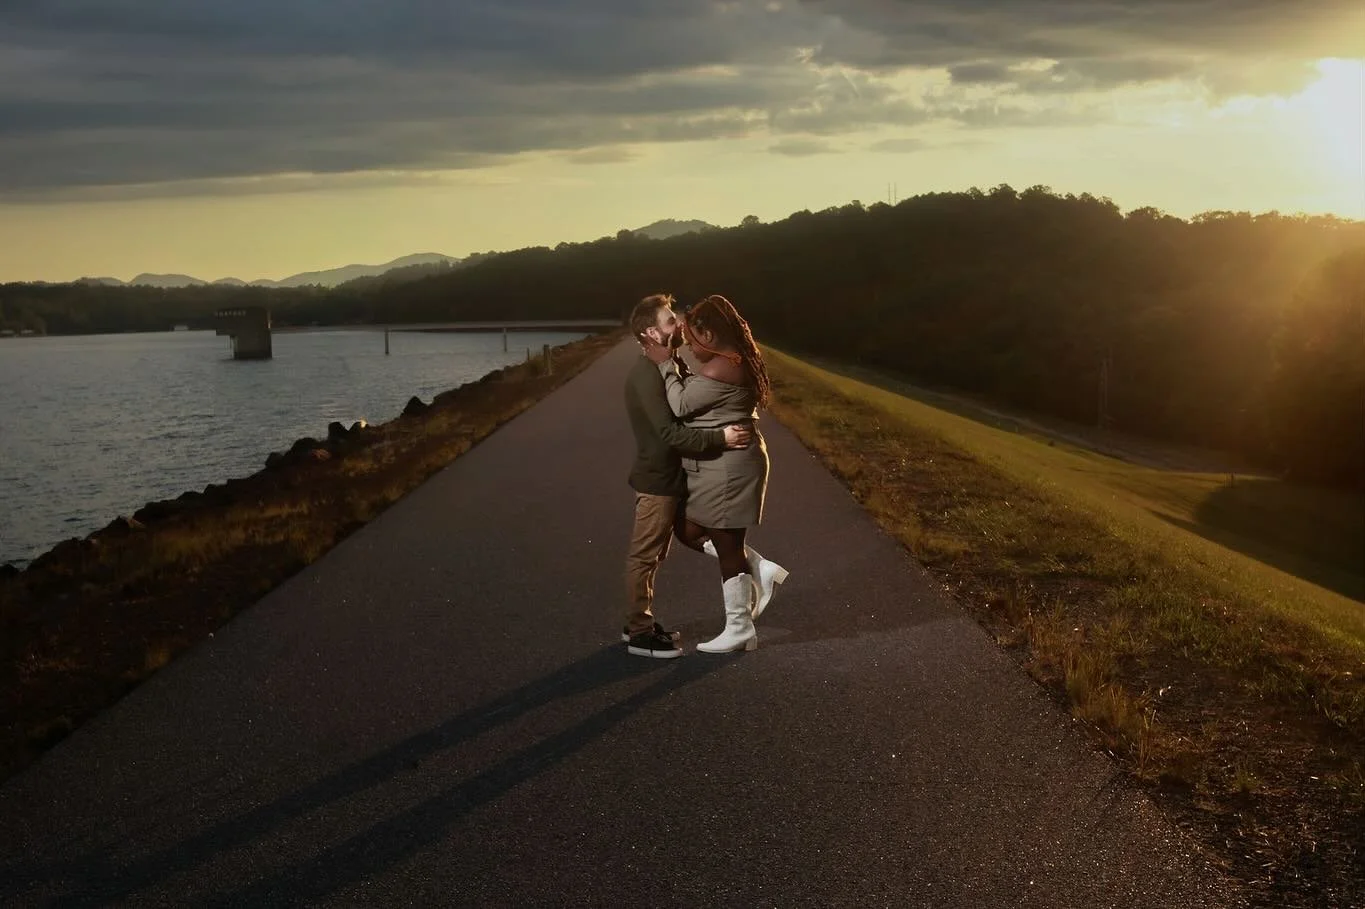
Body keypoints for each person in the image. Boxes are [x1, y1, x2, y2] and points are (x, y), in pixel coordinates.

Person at [641, 294, 788, 653]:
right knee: (689, 530)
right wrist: (675, 359)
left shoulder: (723, 366)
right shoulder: (729, 358)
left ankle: (739, 629)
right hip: (719, 462)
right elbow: (696, 392)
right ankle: (759, 568)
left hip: (728, 467)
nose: (689, 347)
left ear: (709, 333)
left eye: (692, 340)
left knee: (726, 544)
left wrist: (664, 364)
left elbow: (680, 404)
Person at [623, 294, 752, 659]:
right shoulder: (648, 373)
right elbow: (672, 433)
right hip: (658, 480)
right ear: (651, 331)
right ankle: (638, 633)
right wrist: (721, 437)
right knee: (644, 557)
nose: (678, 325)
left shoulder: (669, 361)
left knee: (661, 552)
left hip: (673, 478)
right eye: (669, 321)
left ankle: (640, 621)